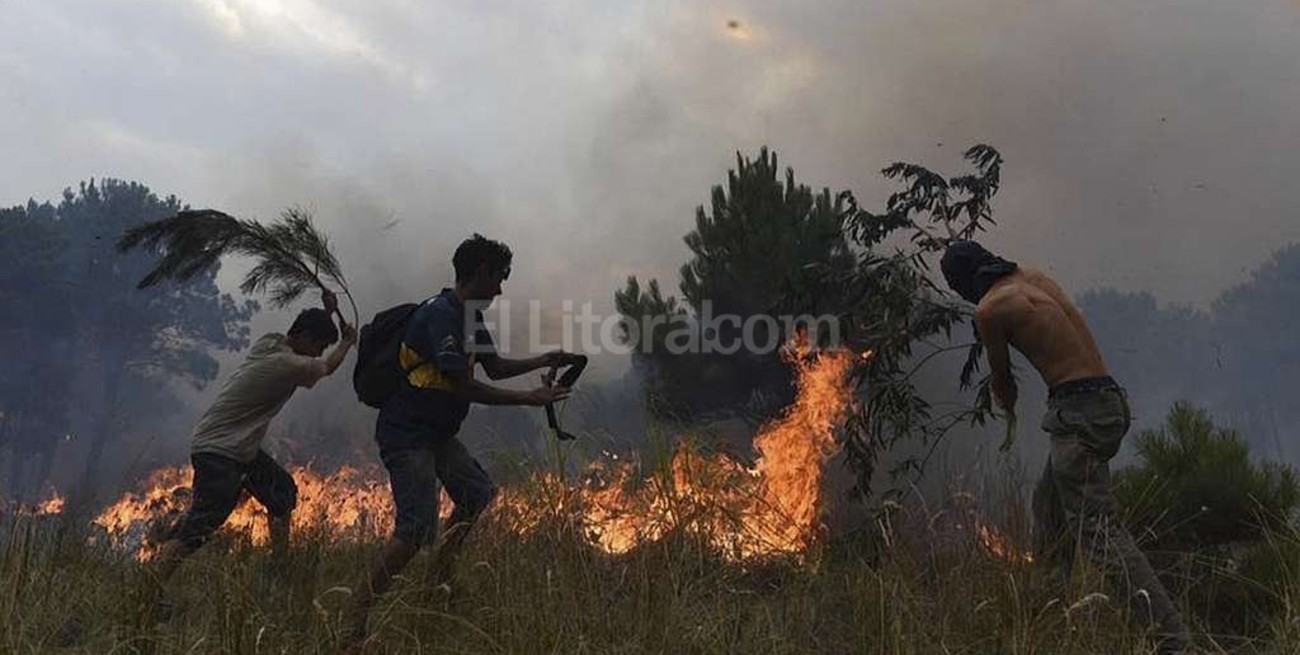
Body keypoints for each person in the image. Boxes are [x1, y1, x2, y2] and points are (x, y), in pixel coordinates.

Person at [940, 240, 1194, 654]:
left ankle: (1171, 641)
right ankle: (1049, 620)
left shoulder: (989, 311)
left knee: (1098, 532)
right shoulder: (1034, 278)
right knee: (1049, 507)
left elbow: (1003, 382)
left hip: (1077, 415)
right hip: (1108, 401)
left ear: (963, 283)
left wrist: (1006, 407)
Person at [343, 234, 578, 648]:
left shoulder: (469, 317)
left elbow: (496, 368)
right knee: (415, 529)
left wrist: (543, 360)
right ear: (481, 271)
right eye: (500, 277)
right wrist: (530, 397)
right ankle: (354, 617)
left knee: (476, 494)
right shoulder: (440, 315)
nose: (502, 289)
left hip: (436, 435)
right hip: (408, 435)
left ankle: (436, 581)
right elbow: (465, 386)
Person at [149, 291, 356, 595]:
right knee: (200, 528)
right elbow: (326, 368)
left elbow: (310, 349)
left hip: (235, 448)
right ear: (305, 336)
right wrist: (347, 342)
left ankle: (280, 570)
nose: (316, 353)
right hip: (221, 450)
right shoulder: (286, 363)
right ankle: (148, 590)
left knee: (282, 492)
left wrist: (327, 314)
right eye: (317, 345)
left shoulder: (270, 343)